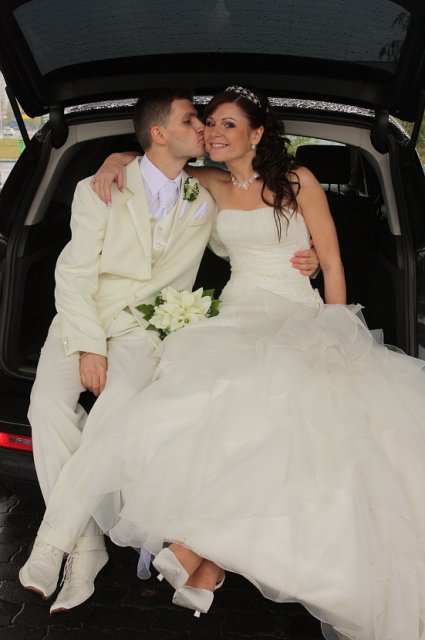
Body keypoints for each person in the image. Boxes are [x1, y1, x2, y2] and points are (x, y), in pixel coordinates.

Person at [38, 86, 425, 640]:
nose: (214, 133)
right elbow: (154, 163)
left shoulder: (299, 182)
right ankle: (204, 559)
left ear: (257, 133)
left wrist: (336, 330)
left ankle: (199, 552)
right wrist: (113, 158)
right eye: (210, 123)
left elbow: (333, 263)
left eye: (227, 125)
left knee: (271, 409)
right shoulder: (209, 182)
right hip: (238, 311)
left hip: (296, 314)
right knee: (200, 404)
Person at [20, 87, 319, 614]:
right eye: (193, 120)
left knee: (117, 409)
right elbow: (72, 275)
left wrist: (305, 254)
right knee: (44, 406)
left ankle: (52, 544)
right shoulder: (101, 187)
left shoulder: (205, 195)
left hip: (145, 329)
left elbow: (256, 228)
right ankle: (85, 546)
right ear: (160, 134)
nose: (205, 128)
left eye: (214, 123)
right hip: (84, 317)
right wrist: (89, 346)